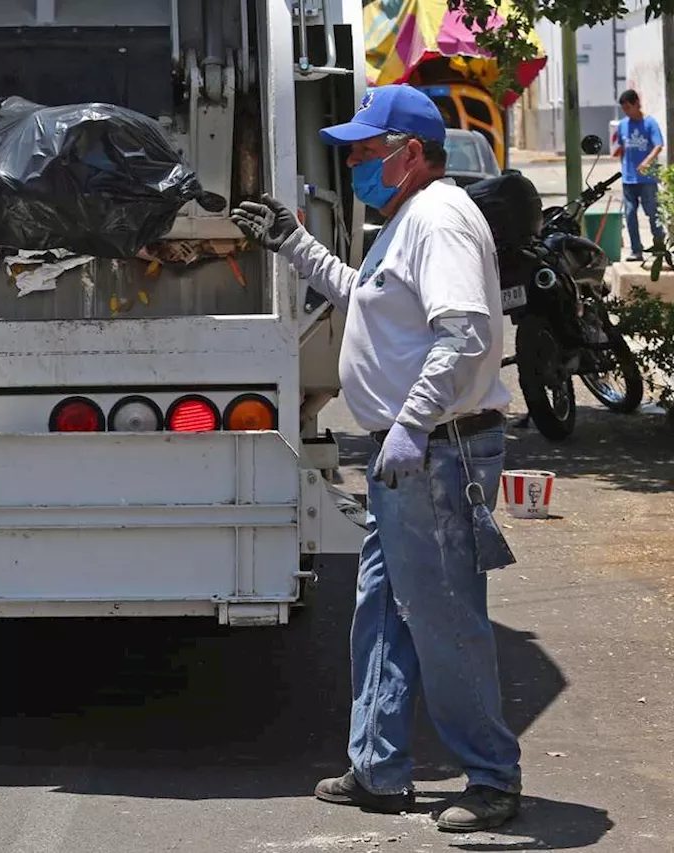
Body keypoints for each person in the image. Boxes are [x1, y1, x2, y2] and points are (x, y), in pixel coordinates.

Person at [231, 84, 522, 833]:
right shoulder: (406, 220)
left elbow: (462, 332)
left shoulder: (440, 220)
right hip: (411, 457)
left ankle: (491, 778)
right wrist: (294, 242)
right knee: (385, 615)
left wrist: (412, 423)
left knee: (444, 619)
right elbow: (367, 299)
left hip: (434, 452)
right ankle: (380, 768)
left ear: (411, 153)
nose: (354, 160)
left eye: (366, 149)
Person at [614, 89, 666, 261]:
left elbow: (658, 145)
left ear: (637, 104)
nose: (627, 112)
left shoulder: (650, 123)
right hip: (629, 179)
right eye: (624, 109)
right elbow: (621, 148)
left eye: (629, 107)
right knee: (629, 214)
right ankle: (636, 250)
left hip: (647, 179)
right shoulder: (623, 125)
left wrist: (647, 162)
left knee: (652, 213)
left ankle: (659, 246)